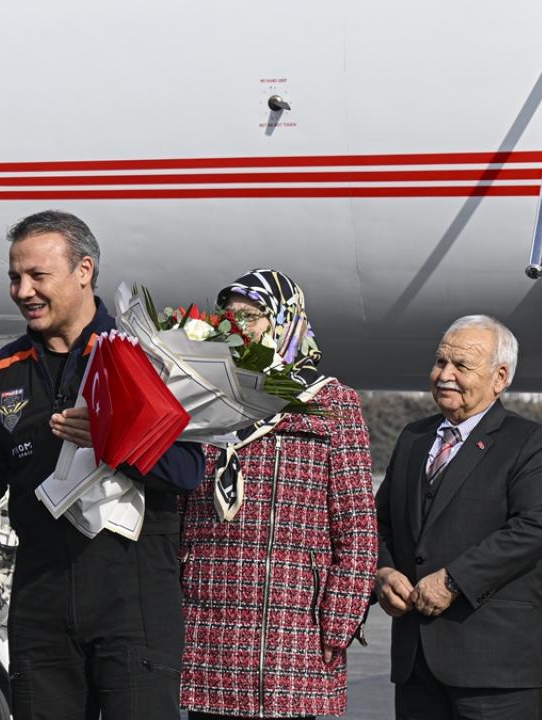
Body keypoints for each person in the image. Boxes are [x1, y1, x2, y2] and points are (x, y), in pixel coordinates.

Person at [0, 210, 205, 720]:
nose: (23, 290)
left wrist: (115, 439)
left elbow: (186, 471)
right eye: (14, 277)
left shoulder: (145, 357)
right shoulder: (3, 369)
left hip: (132, 592)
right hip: (40, 592)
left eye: (37, 276)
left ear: (84, 271)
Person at [178, 270, 377, 720]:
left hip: (293, 630)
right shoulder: (204, 397)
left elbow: (357, 526)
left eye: (251, 316)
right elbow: (179, 511)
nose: (236, 326)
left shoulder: (331, 402)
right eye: (228, 317)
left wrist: (339, 622)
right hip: (207, 625)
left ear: (286, 320)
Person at [375, 315, 542, 720]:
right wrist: (383, 572)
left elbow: (534, 528)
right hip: (416, 665)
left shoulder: (527, 442)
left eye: (461, 365)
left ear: (500, 377)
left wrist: (453, 580)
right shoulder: (413, 438)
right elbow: (378, 522)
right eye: (440, 361)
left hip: (494, 668)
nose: (445, 375)